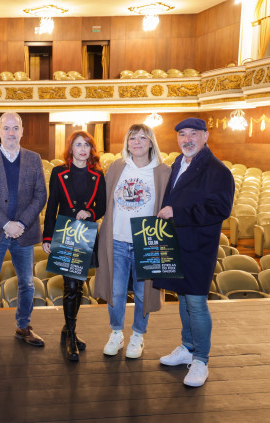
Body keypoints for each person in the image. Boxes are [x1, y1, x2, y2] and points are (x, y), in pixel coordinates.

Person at [154, 118, 234, 387]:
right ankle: (187, 347)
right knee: (184, 299)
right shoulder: (179, 162)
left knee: (197, 303)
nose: (187, 139)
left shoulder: (217, 170)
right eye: (182, 135)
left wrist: (178, 212)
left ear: (205, 136)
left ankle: (201, 360)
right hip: (177, 242)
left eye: (193, 134)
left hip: (199, 246)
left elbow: (219, 209)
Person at [94, 124, 171, 359]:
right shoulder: (118, 167)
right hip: (116, 239)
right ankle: (116, 333)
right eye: (132, 138)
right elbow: (102, 199)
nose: (137, 142)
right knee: (115, 291)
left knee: (142, 292)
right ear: (127, 143)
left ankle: (138, 335)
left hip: (146, 242)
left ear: (151, 143)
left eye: (142, 138)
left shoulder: (163, 171)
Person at [0, 112, 48, 351]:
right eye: (6, 128)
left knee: (27, 283)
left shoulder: (34, 159)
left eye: (15, 128)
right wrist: (6, 224)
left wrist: (21, 224)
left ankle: (23, 326)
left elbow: (40, 196)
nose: (11, 133)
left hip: (24, 233)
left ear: (22, 130)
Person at [42, 131, 106, 361]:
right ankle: (71, 334)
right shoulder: (59, 173)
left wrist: (90, 212)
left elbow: (103, 206)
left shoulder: (98, 175)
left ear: (91, 149)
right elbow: (52, 206)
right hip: (65, 233)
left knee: (78, 286)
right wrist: (47, 238)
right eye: (78, 144)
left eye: (86, 145)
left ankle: (68, 326)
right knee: (70, 286)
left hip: (86, 234)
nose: (82, 149)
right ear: (71, 148)